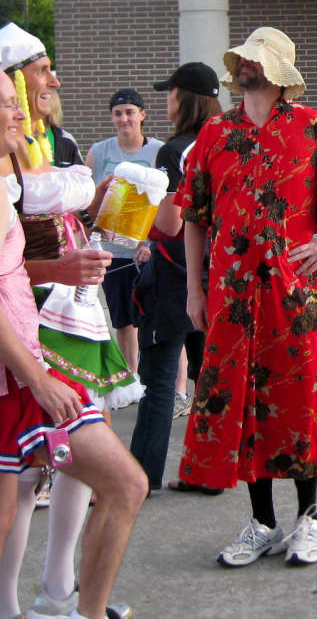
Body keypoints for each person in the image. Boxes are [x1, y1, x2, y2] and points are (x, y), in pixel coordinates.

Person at [0, 60, 146, 619]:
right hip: (12, 378)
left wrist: (58, 270)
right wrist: (41, 380)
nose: (19, 110)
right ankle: (82, 612)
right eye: (6, 101)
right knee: (125, 485)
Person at [171, 26, 317, 567]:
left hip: (294, 296)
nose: (245, 67)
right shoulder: (215, 135)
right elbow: (194, 216)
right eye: (242, 59)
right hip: (230, 297)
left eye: (256, 60)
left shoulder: (314, 129)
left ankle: (308, 519)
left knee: (301, 401)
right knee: (244, 405)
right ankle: (262, 521)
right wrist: (194, 288)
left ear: (277, 73)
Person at [129, 62, 221, 492]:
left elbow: (170, 224)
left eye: (170, 92)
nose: (166, 99)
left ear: (185, 98)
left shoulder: (175, 150)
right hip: (220, 274)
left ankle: (141, 476)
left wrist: (134, 200)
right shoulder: (229, 138)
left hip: (177, 275)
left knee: (160, 379)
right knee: (209, 376)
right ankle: (211, 472)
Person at [85, 90, 163, 374]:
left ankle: (164, 380)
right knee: (122, 320)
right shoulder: (99, 152)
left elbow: (167, 205)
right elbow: (88, 201)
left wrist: (152, 243)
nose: (124, 118)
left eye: (130, 112)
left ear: (142, 114)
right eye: (118, 113)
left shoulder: (157, 151)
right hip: (112, 250)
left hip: (147, 252)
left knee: (155, 316)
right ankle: (130, 376)